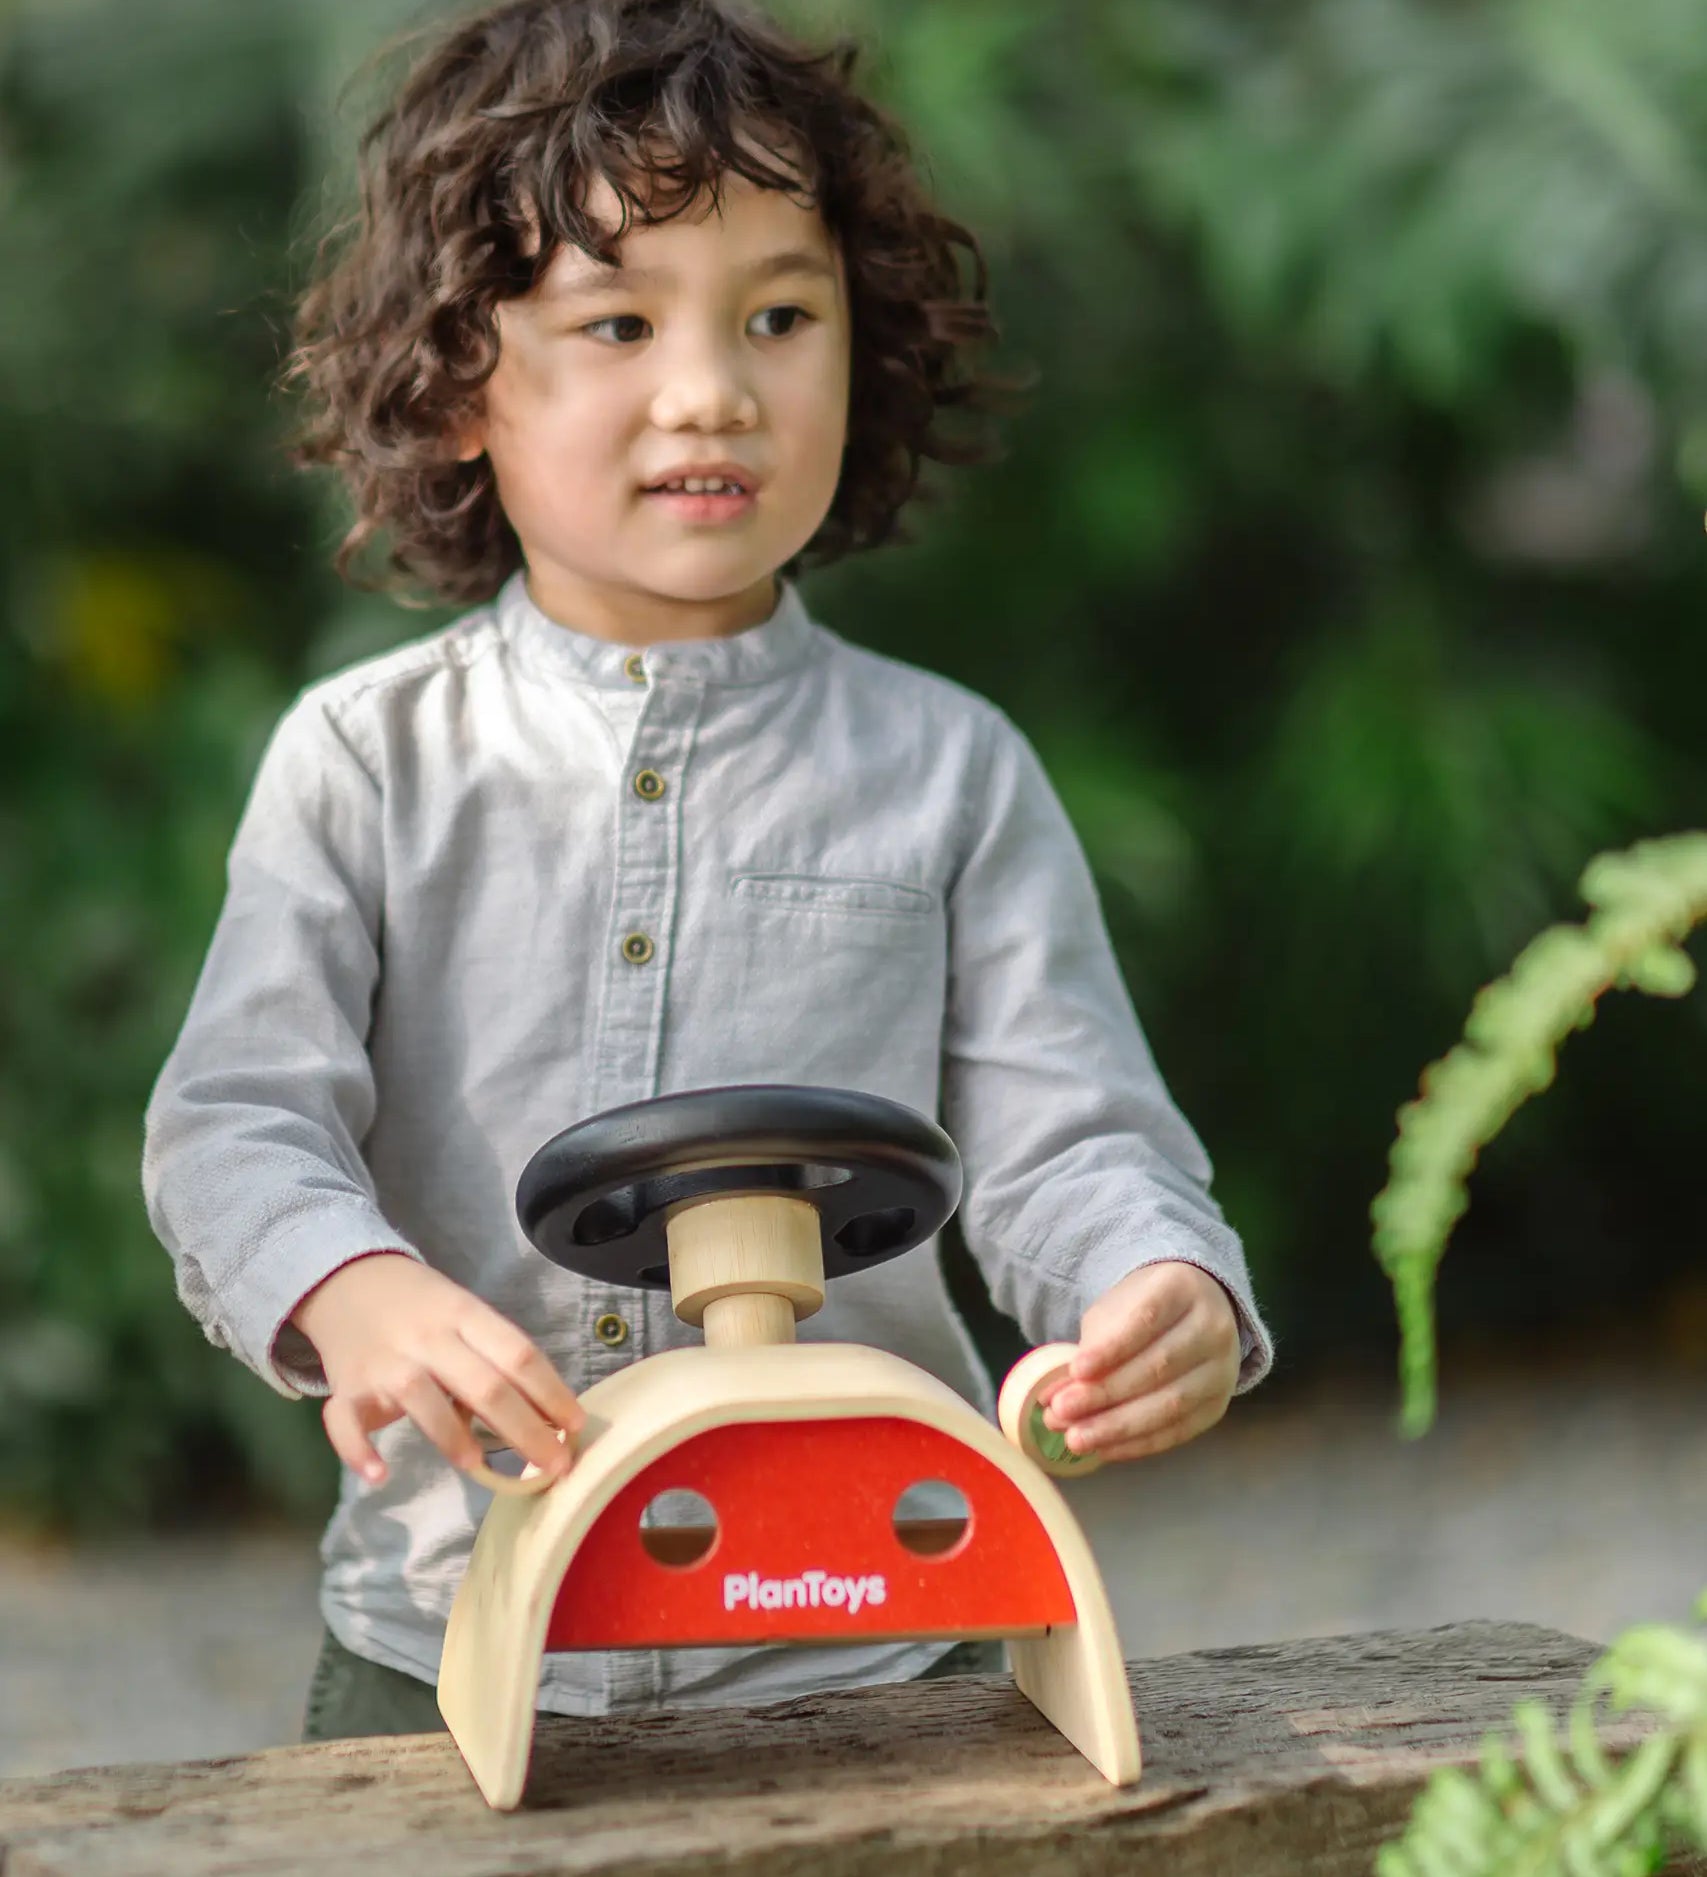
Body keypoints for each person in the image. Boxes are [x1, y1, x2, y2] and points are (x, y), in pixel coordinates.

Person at [142, 0, 1273, 1744]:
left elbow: (1070, 1139)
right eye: (619, 321)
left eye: (780, 316)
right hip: (452, 1635)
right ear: (459, 381)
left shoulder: (951, 772)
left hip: (878, 1644)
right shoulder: (367, 762)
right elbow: (234, 1124)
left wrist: (1155, 1285)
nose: (714, 389)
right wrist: (346, 1289)